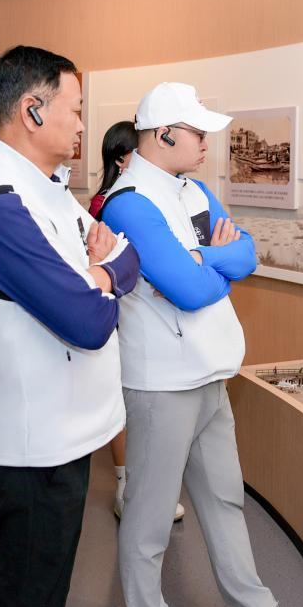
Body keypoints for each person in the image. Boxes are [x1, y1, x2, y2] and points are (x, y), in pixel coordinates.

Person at [0, 45, 139, 607]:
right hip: (33, 443)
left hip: (62, 430)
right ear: (33, 110)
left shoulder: (45, 188)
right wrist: (102, 278)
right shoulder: (0, 206)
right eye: (76, 110)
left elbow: (130, 257)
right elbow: (87, 320)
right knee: (29, 591)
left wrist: (96, 277)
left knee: (45, 584)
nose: (83, 125)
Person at [101, 82, 278, 607]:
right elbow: (190, 290)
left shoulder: (194, 191)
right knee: (149, 519)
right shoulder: (127, 203)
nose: (206, 143)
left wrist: (202, 260)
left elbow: (247, 255)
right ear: (164, 134)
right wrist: (206, 267)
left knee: (226, 500)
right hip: (162, 384)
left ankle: (254, 602)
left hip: (211, 374)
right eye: (197, 133)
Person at [88, 119, 183, 521]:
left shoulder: (157, 197)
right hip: (122, 314)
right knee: (127, 404)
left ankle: (149, 486)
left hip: (152, 316)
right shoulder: (106, 205)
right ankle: (126, 484)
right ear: (120, 159)